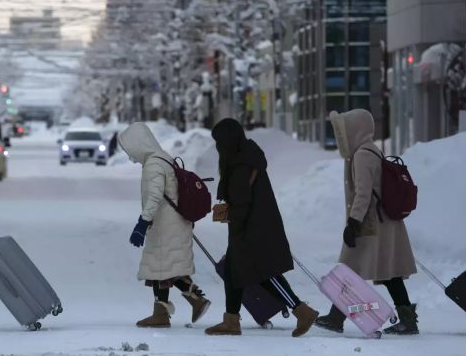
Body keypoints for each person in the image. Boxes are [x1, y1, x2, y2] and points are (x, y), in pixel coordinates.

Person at [203, 119, 318, 336]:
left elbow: (242, 202)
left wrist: (228, 215)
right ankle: (231, 320)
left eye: (219, 142)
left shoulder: (240, 165)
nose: (218, 147)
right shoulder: (246, 157)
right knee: (234, 271)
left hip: (253, 228)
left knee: (264, 273)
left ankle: (302, 310)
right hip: (253, 224)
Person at [314, 109, 419, 335]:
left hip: (369, 223)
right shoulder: (372, 150)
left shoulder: (362, 154)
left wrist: (353, 223)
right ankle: (408, 320)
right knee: (387, 273)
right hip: (382, 222)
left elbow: (363, 193)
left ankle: (335, 317)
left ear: (356, 129)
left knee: (351, 269)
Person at [118, 122, 211, 328]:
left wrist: (142, 223)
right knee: (164, 268)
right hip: (172, 223)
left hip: (165, 226)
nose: (130, 156)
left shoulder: (153, 164)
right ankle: (167, 310)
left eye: (130, 149)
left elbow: (154, 196)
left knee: (162, 267)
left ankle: (184, 304)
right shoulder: (163, 158)